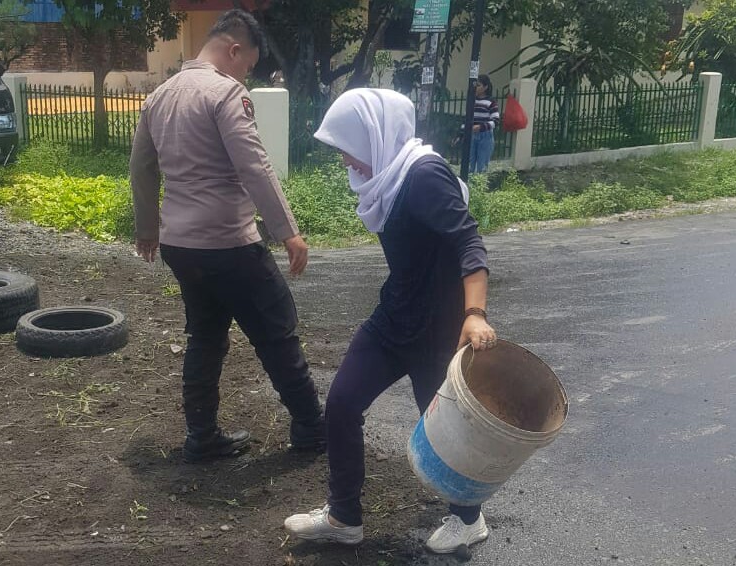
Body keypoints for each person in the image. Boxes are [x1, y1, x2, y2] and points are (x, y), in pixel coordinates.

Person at [283, 89, 498, 554]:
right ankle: (343, 518)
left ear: (373, 135)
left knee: (444, 433)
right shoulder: (386, 179)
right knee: (342, 403)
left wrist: (475, 315)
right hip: (394, 317)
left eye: (346, 146)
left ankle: (469, 520)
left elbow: (469, 243)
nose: (345, 159)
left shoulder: (423, 176)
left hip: (438, 330)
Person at [129, 10, 325, 463]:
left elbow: (141, 167)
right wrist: (288, 232)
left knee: (205, 335)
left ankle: (201, 436)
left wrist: (147, 229)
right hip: (227, 242)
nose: (246, 76)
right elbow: (253, 165)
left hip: (180, 244)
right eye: (248, 66)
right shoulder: (225, 93)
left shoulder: (159, 96)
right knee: (276, 329)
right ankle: (312, 428)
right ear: (234, 50)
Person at [467, 74, 500, 173]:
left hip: (485, 136)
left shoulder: (491, 102)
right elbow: (467, 118)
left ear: (485, 87)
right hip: (472, 134)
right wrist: (460, 134)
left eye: (478, 85)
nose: (476, 88)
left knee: (481, 166)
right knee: (470, 165)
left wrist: (481, 127)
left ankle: (480, 182)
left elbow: (496, 121)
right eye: (475, 85)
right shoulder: (472, 100)